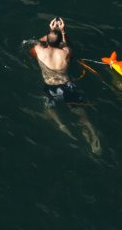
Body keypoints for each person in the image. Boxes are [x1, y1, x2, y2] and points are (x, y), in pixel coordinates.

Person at [32, 17, 100, 155]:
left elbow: (40, 41)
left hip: (51, 87)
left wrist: (51, 30)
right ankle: (93, 134)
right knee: (81, 112)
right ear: (60, 43)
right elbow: (66, 44)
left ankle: (61, 124)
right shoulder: (65, 52)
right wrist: (62, 31)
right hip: (67, 86)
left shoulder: (40, 50)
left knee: (48, 109)